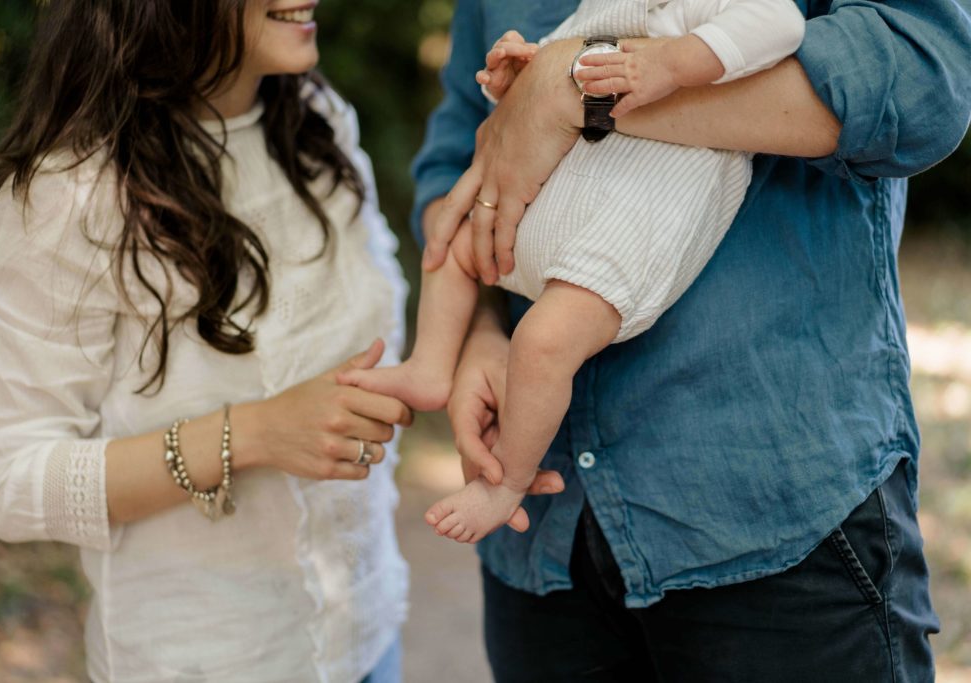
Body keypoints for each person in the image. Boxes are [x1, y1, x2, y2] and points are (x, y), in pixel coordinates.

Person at [412, 0, 971, 680]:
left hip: (768, 508)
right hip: (545, 548)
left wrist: (576, 91)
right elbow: (461, 147)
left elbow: (919, 76)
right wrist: (477, 331)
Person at [0, 2, 414, 681]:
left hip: (367, 638)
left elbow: (388, 310)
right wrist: (253, 433)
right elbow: (9, 481)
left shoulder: (321, 124)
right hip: (205, 658)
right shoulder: (72, 197)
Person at [340, 0, 804, 544]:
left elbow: (781, 23)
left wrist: (670, 64)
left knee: (540, 342)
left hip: (635, 216)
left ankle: (506, 483)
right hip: (557, 200)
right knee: (456, 232)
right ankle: (430, 364)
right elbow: (555, 81)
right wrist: (516, 79)